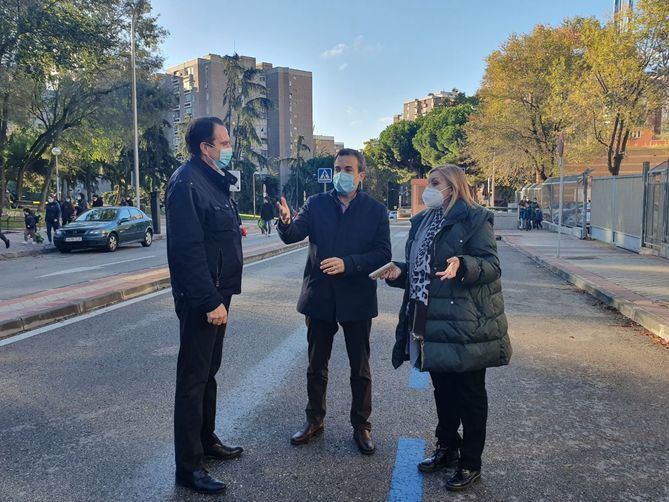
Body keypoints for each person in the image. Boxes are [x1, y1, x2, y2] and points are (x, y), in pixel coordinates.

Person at [381, 165, 512, 493]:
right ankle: (447, 447)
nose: (429, 188)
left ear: (453, 187)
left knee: (470, 393)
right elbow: (422, 269)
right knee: (444, 390)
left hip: (466, 321)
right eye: (428, 182)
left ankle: (470, 462)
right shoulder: (423, 221)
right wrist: (400, 272)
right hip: (428, 316)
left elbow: (492, 266)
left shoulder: (475, 218)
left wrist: (463, 264)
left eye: (435, 183)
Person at [277, 148, 391, 455]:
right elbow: (293, 235)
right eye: (338, 168)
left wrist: (348, 263)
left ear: (361, 175)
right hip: (321, 297)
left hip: (357, 298)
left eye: (349, 169)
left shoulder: (375, 211)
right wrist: (286, 222)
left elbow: (382, 254)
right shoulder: (315, 204)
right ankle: (314, 420)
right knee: (316, 365)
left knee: (360, 367)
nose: (342, 173)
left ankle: (362, 425)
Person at [165, 116, 243, 495]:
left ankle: (207, 441)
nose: (229, 147)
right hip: (203, 298)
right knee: (192, 381)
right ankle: (188, 467)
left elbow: (212, 232)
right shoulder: (186, 182)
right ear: (205, 148)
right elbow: (186, 250)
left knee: (209, 371)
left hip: (218, 292)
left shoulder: (211, 180)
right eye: (223, 142)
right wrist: (210, 300)